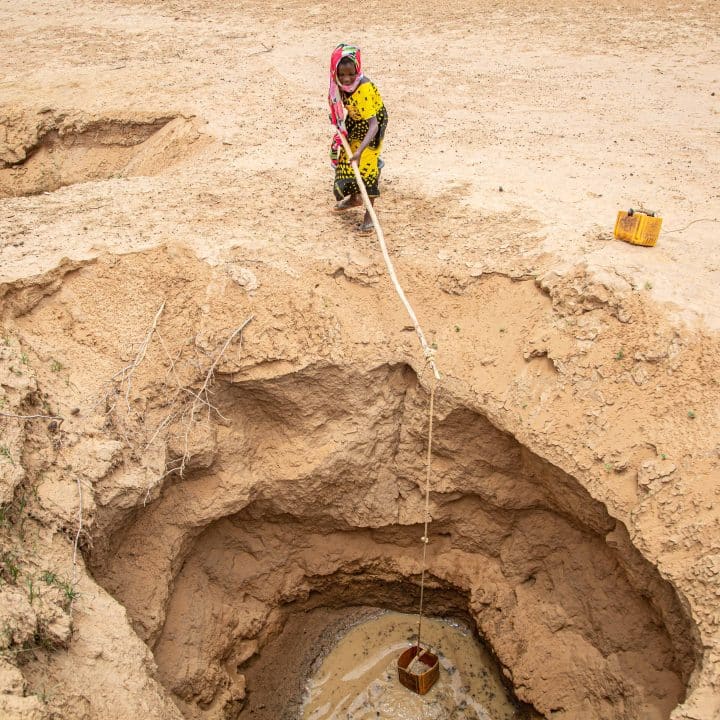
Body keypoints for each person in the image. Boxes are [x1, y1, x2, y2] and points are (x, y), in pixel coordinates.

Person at [328, 43, 388, 232]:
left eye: (351, 74)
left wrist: (361, 150)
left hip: (372, 125)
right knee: (346, 159)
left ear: (358, 69)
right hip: (354, 120)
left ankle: (369, 217)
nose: (346, 79)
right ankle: (355, 198)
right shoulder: (337, 85)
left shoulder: (364, 89)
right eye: (342, 75)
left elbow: (374, 125)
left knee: (367, 167)